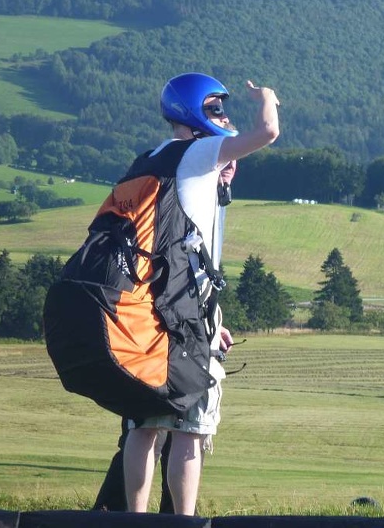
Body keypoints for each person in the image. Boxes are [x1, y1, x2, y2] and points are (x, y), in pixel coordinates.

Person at [113, 72, 280, 516]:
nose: (224, 117)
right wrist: (268, 99)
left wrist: (217, 322)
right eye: (216, 108)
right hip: (186, 324)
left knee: (144, 424)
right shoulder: (200, 152)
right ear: (195, 112)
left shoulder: (150, 158)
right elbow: (268, 132)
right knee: (189, 428)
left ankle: (134, 519)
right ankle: (183, 523)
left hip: (147, 318)